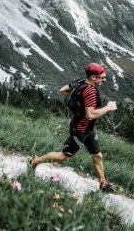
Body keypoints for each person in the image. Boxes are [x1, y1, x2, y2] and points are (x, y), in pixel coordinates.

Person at [29, 62, 119, 192]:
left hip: (88, 129)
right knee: (64, 156)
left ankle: (103, 184)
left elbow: (63, 90)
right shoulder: (90, 92)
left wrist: (79, 100)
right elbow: (90, 114)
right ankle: (35, 161)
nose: (104, 79)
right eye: (102, 77)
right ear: (93, 77)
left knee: (97, 156)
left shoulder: (80, 81)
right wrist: (108, 107)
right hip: (81, 129)